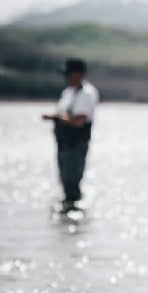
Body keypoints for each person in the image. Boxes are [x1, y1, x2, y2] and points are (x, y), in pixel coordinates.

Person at [42, 57, 99, 212]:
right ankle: (67, 217)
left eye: (68, 74)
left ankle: (73, 211)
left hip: (76, 145)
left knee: (72, 182)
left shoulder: (86, 94)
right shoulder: (68, 93)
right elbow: (64, 114)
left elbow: (79, 121)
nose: (66, 78)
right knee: (65, 182)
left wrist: (59, 118)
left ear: (78, 74)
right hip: (63, 143)